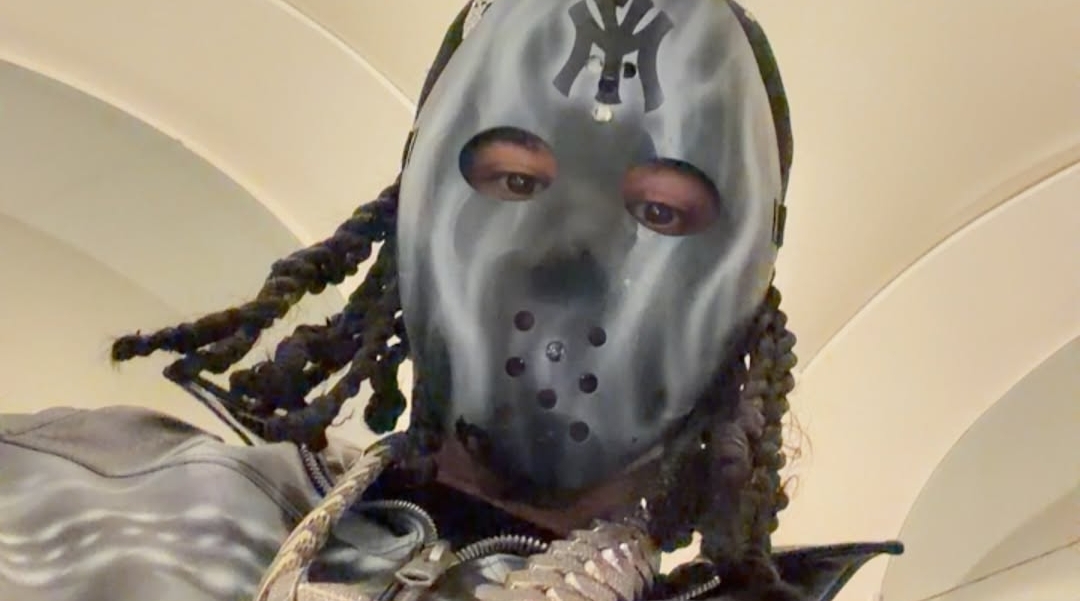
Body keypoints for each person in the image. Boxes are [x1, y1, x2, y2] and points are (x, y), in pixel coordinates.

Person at [0, 1, 902, 600]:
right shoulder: (102, 498)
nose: (570, 252)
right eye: (515, 180)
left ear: (748, 293)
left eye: (660, 210)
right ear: (411, 208)